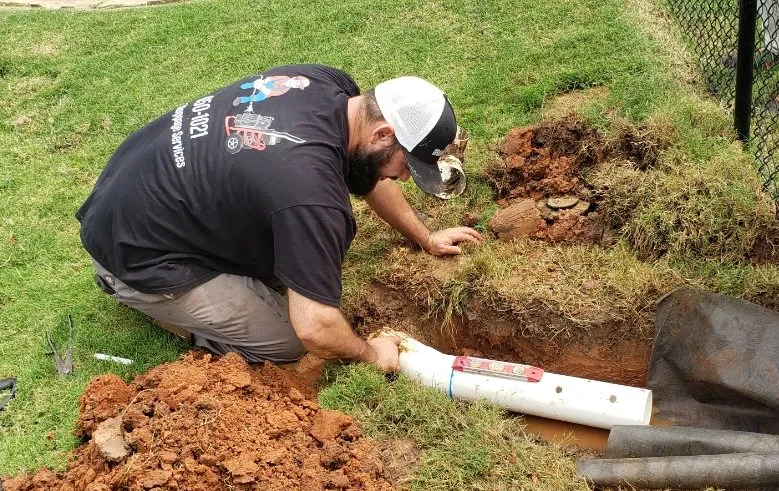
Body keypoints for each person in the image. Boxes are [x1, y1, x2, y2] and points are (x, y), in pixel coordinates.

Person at [76, 64, 483, 373]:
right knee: (291, 345)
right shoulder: (310, 195)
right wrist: (371, 353)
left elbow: (370, 171)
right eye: (406, 165)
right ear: (382, 133)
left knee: (288, 262)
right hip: (136, 252)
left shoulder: (329, 87)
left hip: (138, 187)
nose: (402, 177)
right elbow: (316, 327)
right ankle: (160, 309)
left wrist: (424, 236)